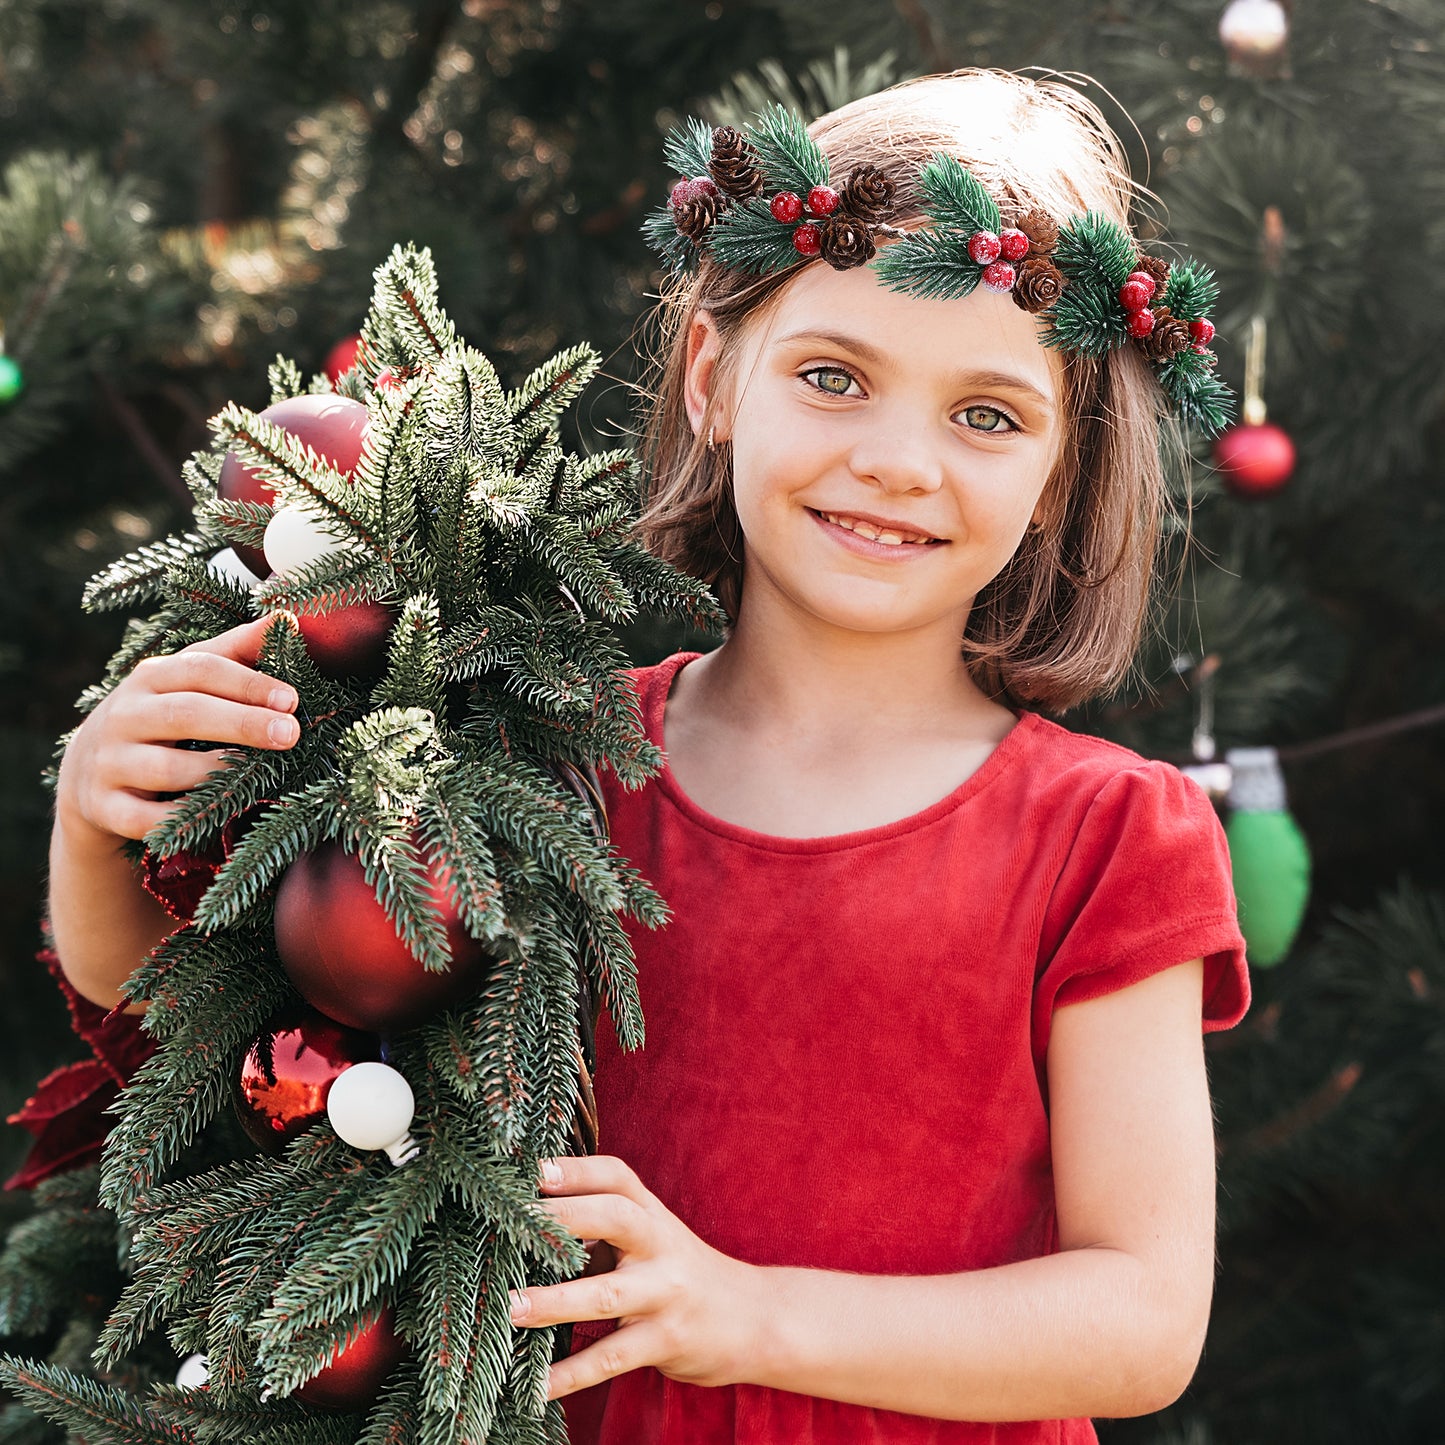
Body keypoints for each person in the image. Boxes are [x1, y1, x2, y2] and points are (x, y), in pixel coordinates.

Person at [43, 65, 1248, 1445]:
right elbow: (221, 1036)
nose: (899, 460)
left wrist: (743, 1310)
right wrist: (94, 825)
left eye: (985, 413)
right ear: (713, 376)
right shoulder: (529, 756)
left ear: (1060, 469)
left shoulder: (1105, 837)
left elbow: (1140, 1318)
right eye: (832, 376)